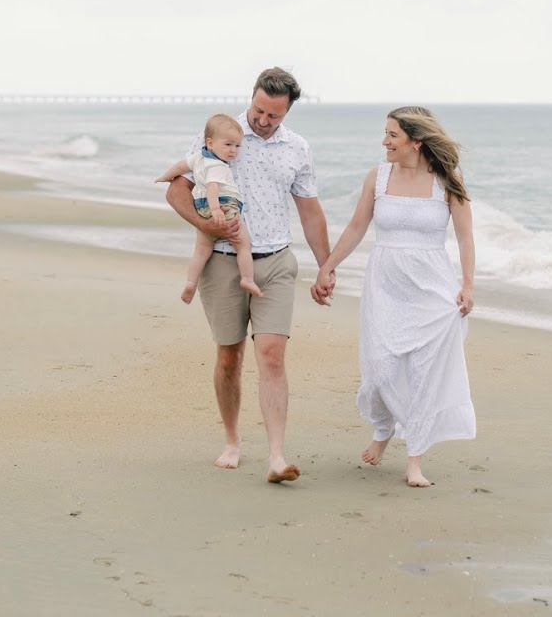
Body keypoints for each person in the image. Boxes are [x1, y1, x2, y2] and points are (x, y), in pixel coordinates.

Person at [165, 67, 331, 484]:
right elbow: (176, 189)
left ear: (287, 111)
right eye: (258, 110)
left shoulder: (297, 148)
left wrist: (326, 266)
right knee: (229, 356)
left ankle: (276, 457)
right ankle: (232, 441)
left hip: (276, 261)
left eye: (274, 115)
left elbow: (310, 212)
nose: (262, 120)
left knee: (272, 354)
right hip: (222, 261)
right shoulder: (222, 134)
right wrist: (208, 226)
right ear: (252, 97)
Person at [310, 106, 476, 487]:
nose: (384, 141)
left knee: (423, 373)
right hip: (385, 285)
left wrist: (467, 285)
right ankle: (384, 428)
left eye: (392, 135)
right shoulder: (378, 177)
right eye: (385, 133)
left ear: (415, 142)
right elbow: (357, 227)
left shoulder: (447, 181)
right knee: (381, 368)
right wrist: (328, 267)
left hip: (432, 289)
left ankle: (415, 459)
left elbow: (466, 237)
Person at [155, 114, 262, 304]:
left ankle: (191, 283)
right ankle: (247, 279)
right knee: (243, 244)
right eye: (228, 144)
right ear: (210, 143)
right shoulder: (218, 165)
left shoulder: (198, 157)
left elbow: (180, 166)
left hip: (201, 208)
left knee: (202, 250)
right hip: (223, 206)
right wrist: (217, 210)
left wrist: (165, 176)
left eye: (237, 146)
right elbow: (213, 186)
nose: (233, 150)